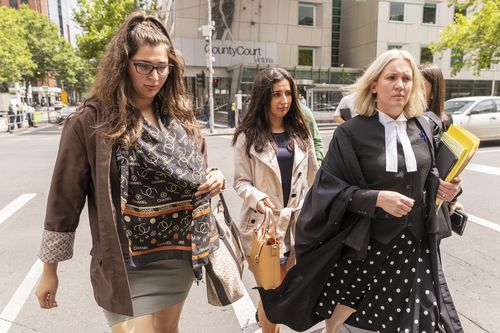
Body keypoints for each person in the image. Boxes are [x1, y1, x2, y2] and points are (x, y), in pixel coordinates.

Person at [35, 12, 225, 332]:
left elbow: (197, 171)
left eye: (161, 67)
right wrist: (49, 269)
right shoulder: (91, 122)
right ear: (123, 65)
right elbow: (64, 199)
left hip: (176, 255)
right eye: (144, 66)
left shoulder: (178, 117)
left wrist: (215, 176)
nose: (154, 76)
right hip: (124, 264)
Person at [257, 50, 464, 333]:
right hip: (369, 243)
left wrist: (450, 191)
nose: (400, 85)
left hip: (416, 245)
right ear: (374, 84)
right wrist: (376, 198)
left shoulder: (426, 127)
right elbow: (327, 189)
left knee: (423, 318)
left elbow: (434, 178)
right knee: (349, 298)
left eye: (407, 78)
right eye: (392, 77)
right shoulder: (352, 133)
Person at [232, 67, 318, 333]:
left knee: (282, 291)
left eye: (288, 93)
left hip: (296, 228)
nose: (284, 100)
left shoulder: (301, 133)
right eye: (276, 94)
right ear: (263, 97)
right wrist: (257, 198)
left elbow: (315, 178)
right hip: (263, 229)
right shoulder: (247, 136)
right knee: (272, 293)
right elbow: (240, 182)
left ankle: (267, 326)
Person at [419, 63, 464, 224]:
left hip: (436, 199)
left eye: (420, 86)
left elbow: (450, 164)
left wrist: (453, 197)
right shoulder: (403, 119)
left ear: (433, 92)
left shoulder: (445, 121)